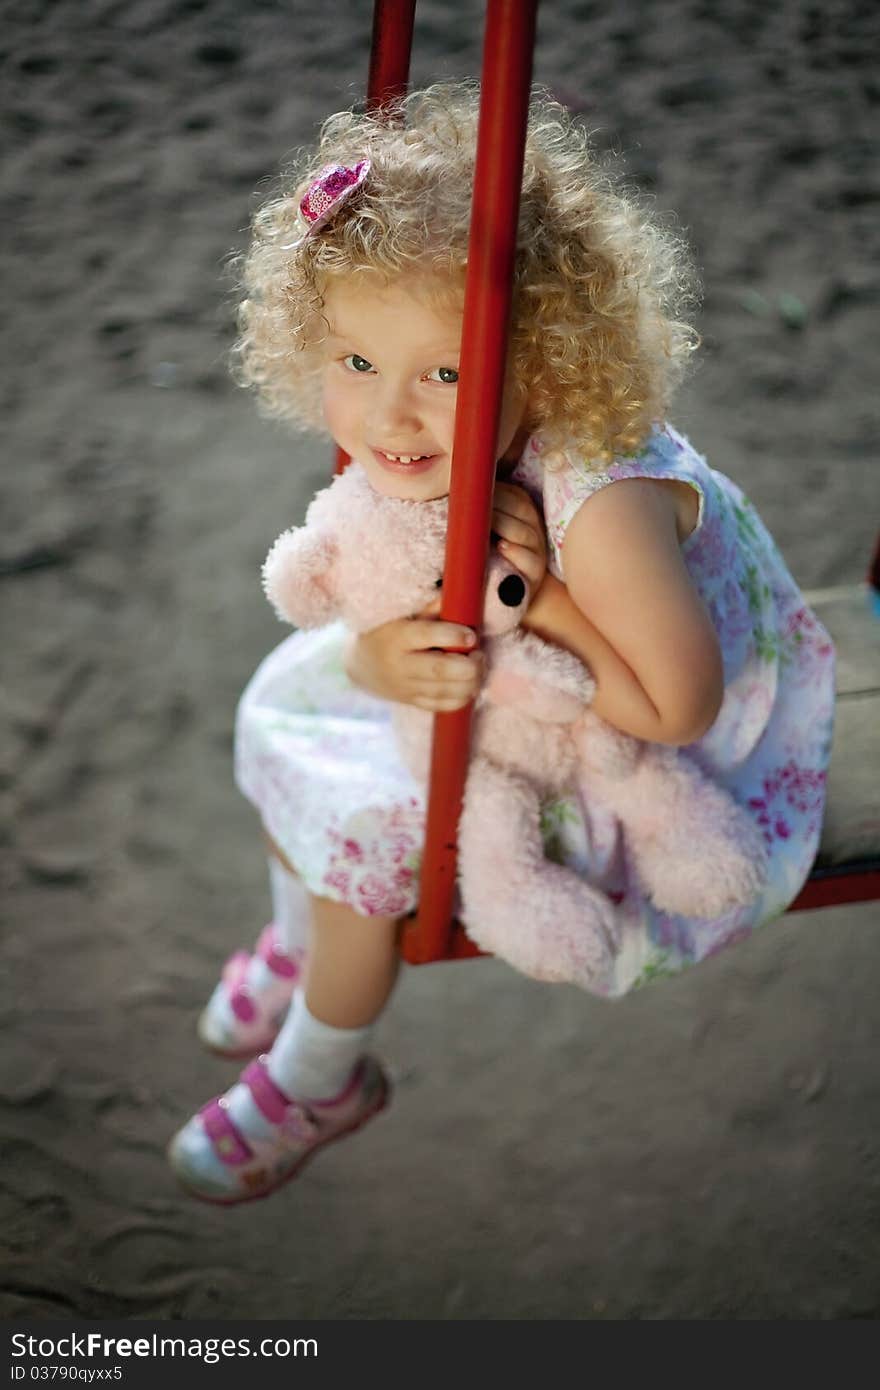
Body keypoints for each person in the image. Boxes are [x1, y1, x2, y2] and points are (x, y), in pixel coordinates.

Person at [168, 82, 835, 1204]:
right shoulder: (430, 445)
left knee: (370, 828)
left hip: (659, 749)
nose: (391, 418)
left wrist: (540, 596)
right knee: (297, 701)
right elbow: (390, 601)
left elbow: (680, 709)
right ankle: (301, 948)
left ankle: (322, 1071)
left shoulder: (601, 501)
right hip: (536, 683)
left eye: (444, 372)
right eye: (357, 363)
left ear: (546, 354)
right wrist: (382, 658)